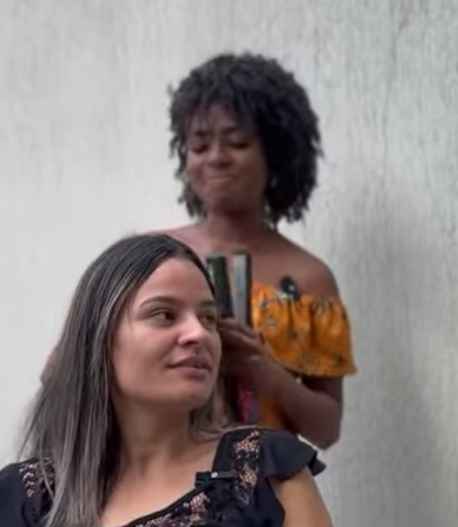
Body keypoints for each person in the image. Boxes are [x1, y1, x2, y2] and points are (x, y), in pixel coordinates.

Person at [0, 234, 332, 527]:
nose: (199, 333)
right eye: (163, 314)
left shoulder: (266, 473)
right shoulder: (25, 498)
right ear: (99, 340)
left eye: (209, 317)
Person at [163, 53, 357, 449]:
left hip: (268, 484)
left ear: (276, 154)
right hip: (166, 481)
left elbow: (327, 430)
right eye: (199, 145)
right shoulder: (153, 257)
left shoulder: (309, 278)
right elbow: (65, 372)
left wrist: (265, 372)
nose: (216, 157)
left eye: (237, 142)